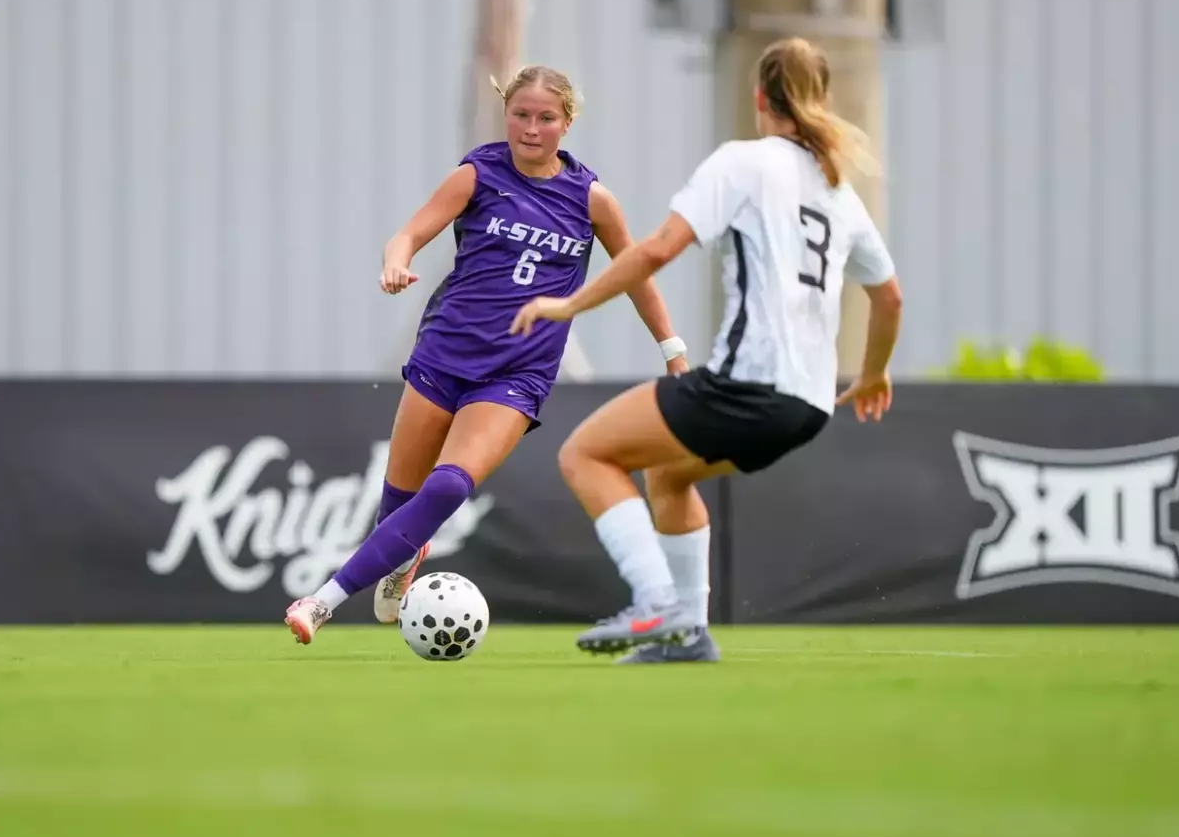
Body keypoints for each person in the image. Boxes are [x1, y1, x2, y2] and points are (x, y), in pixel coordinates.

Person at [508, 37, 905, 664]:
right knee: (669, 474)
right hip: (808, 405)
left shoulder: (743, 163)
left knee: (585, 454)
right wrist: (875, 373)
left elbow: (657, 250)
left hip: (750, 385)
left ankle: (656, 602)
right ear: (820, 100)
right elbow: (889, 299)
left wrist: (567, 304)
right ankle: (689, 635)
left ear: (759, 97)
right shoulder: (838, 190)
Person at [284, 65, 691, 644]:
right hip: (444, 354)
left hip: (517, 373)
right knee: (399, 505)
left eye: (545, 118)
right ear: (506, 115)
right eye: (520, 115)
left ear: (567, 123)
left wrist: (673, 350)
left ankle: (320, 602)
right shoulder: (477, 175)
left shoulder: (592, 200)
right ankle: (405, 554)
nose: (530, 128)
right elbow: (408, 234)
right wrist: (395, 262)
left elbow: (637, 274)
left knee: (448, 487)